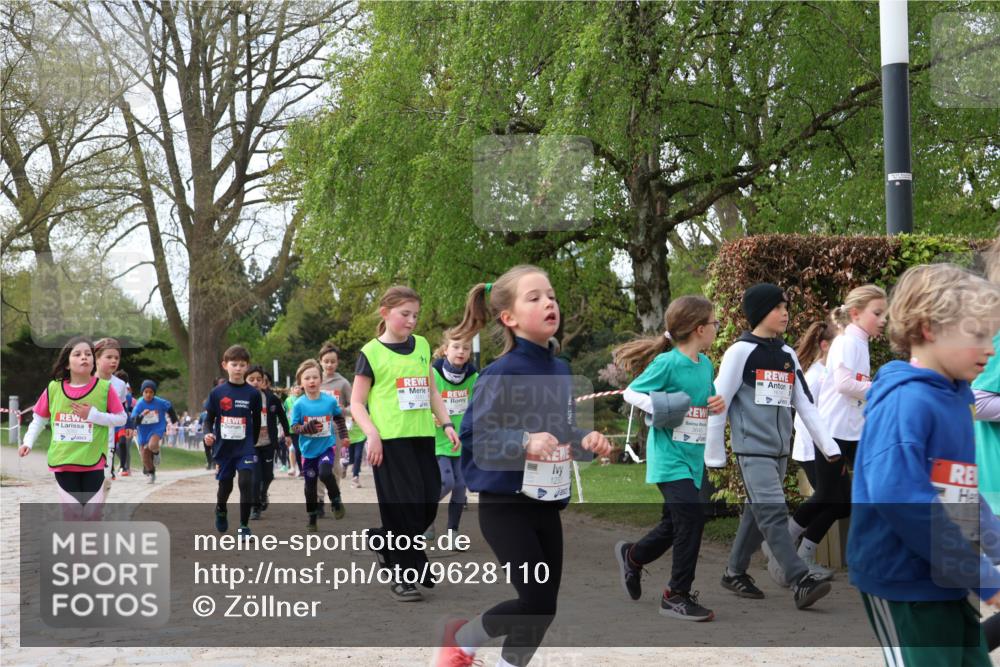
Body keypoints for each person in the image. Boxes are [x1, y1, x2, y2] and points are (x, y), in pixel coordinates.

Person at [434, 266, 611, 666]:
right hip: (505, 506)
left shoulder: (559, 368)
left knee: (543, 607)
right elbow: (476, 439)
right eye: (534, 297)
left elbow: (559, 429)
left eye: (551, 295)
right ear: (508, 317)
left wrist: (584, 440)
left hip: (545, 503)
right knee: (532, 600)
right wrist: (523, 441)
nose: (549, 302)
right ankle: (461, 641)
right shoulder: (500, 373)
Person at [848, 263, 1000, 666]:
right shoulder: (906, 401)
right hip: (903, 583)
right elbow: (903, 500)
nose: (990, 348)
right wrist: (980, 575)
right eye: (978, 334)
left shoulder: (956, 397)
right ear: (931, 328)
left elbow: (959, 493)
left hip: (945, 580)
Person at [705, 283, 837, 609]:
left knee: (756, 513)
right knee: (775, 513)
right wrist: (714, 452)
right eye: (778, 307)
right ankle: (799, 579)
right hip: (751, 451)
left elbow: (805, 404)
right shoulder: (739, 352)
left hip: (779, 453)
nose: (785, 313)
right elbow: (718, 402)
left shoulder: (787, 354)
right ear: (761, 311)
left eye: (786, 307)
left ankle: (734, 572)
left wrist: (829, 445)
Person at [612, 295, 725, 622]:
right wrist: (664, 408)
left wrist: (716, 404)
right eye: (715, 323)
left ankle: (632, 556)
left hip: (693, 458)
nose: (718, 327)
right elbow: (631, 392)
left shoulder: (704, 364)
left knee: (674, 524)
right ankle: (676, 595)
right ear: (700, 329)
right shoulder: (667, 363)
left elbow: (703, 399)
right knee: (693, 517)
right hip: (668, 459)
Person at [350, 286, 460, 602]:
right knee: (402, 510)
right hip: (389, 442)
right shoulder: (370, 353)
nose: (412, 321)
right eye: (405, 314)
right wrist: (371, 434)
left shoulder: (423, 345)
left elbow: (431, 391)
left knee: (426, 504)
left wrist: (447, 422)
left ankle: (384, 541)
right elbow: (357, 403)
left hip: (423, 437)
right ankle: (403, 576)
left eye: (415, 315)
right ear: (385, 313)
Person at [18, 337, 126, 520]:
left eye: (88, 354)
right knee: (72, 512)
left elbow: (121, 418)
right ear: (67, 364)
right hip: (63, 460)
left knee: (91, 513)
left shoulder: (105, 389)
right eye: (77, 354)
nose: (84, 357)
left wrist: (93, 415)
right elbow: (39, 419)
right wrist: (27, 441)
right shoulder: (53, 389)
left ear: (94, 361)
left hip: (93, 461)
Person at [203, 345, 262, 537]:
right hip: (224, 447)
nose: (238, 368)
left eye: (242, 365)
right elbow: (209, 419)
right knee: (225, 486)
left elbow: (256, 420)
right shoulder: (217, 393)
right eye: (234, 364)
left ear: (247, 367)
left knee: (246, 482)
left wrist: (253, 442)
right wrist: (208, 434)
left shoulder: (253, 394)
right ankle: (221, 509)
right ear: (225, 365)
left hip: (245, 447)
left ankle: (244, 526)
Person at [429, 328, 478, 544]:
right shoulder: (433, 373)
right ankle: (423, 516)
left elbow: (478, 406)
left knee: (460, 486)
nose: (461, 351)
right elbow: (425, 401)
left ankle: (452, 533)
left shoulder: (474, 377)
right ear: (445, 349)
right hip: (438, 439)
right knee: (446, 482)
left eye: (466, 348)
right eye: (456, 347)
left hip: (462, 440)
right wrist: (431, 416)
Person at [290, 359, 350, 531]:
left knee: (325, 472)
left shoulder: (329, 401)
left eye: (315, 377)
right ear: (301, 383)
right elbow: (293, 427)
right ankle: (312, 517)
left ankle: (336, 500)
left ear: (321, 380)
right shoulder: (299, 404)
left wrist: (344, 435)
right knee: (310, 486)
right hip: (308, 452)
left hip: (326, 446)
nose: (312, 381)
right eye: (307, 378)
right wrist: (307, 427)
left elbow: (338, 418)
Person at [246, 366, 291, 520]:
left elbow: (283, 417)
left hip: (268, 443)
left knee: (268, 476)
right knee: (255, 477)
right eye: (251, 380)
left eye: (259, 380)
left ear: (264, 382)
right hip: (251, 445)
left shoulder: (272, 399)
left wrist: (287, 434)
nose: (256, 382)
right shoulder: (243, 399)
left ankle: (263, 493)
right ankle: (255, 507)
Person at [131, 379, 177, 484]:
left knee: (152, 445)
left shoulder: (159, 402)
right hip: (143, 431)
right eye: (146, 392)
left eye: (151, 392)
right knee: (144, 457)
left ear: (154, 393)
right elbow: (134, 421)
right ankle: (151, 473)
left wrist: (174, 419)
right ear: (142, 392)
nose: (148, 394)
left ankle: (156, 453)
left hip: (157, 427)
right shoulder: (139, 404)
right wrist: (142, 414)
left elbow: (169, 406)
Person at [113, 370, 136, 476]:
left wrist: (131, 425)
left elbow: (127, 410)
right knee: (113, 446)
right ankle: (113, 467)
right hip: (110, 422)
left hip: (123, 423)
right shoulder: (108, 388)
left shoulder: (128, 396)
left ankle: (125, 467)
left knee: (123, 444)